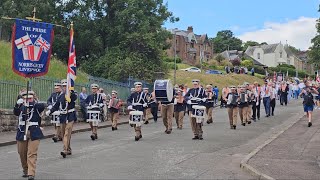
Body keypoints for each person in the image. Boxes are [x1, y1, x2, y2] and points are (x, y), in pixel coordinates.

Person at [15, 90, 45, 180]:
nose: (28, 100)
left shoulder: (36, 105)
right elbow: (16, 112)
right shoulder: (21, 106)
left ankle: (31, 173)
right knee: (21, 152)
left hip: (34, 131)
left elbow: (41, 107)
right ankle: (25, 169)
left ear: (33, 97)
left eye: (30, 98)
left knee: (31, 153)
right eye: (25, 98)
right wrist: (18, 104)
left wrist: (32, 104)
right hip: (22, 131)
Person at [46, 79, 78, 158]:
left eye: (66, 86)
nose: (64, 87)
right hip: (63, 117)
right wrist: (49, 111)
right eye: (63, 86)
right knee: (64, 134)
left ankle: (64, 150)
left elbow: (74, 98)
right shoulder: (60, 96)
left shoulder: (72, 94)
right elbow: (56, 106)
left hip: (70, 116)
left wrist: (71, 92)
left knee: (67, 133)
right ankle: (69, 149)